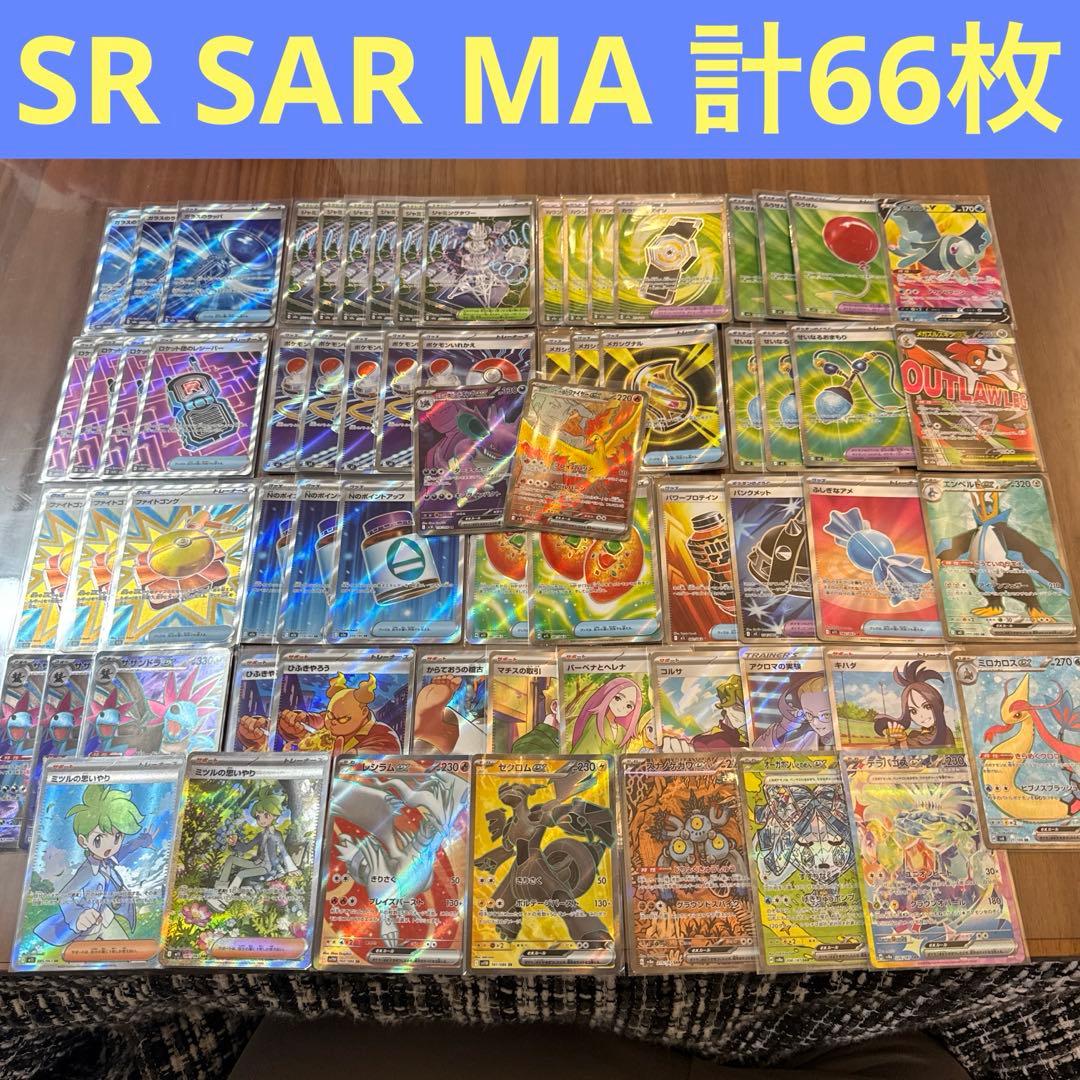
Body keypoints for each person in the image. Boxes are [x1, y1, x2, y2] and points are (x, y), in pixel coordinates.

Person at [33, 785, 152, 944]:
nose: (110, 845)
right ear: (83, 841)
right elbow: (65, 896)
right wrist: (78, 916)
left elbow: (125, 849)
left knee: (126, 950)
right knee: (77, 956)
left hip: (106, 919)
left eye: (117, 836)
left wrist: (143, 840)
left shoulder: (108, 861)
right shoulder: (87, 871)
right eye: (99, 839)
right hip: (86, 927)